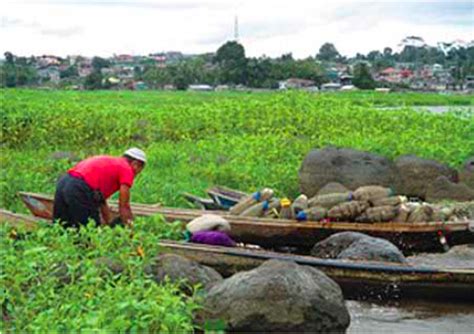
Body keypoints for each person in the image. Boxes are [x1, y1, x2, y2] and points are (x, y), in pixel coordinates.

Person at [53, 148, 146, 228]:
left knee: (62, 226)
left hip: (64, 182)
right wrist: (130, 227)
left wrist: (109, 222)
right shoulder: (127, 169)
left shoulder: (111, 163)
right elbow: (124, 206)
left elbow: (100, 199)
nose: (136, 175)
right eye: (139, 171)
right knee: (90, 230)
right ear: (135, 164)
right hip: (79, 188)